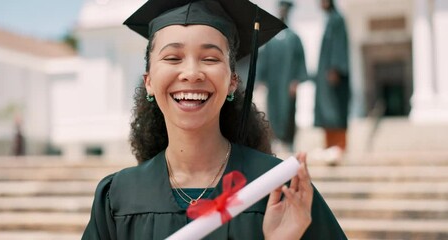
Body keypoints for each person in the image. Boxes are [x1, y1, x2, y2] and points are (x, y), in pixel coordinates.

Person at [82, 0, 347, 239]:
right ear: (149, 81)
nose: (191, 73)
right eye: (173, 57)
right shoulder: (117, 197)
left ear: (232, 81)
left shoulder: (278, 189)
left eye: (210, 58)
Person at [257, 0, 307, 153]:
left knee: (289, 111)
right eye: (281, 10)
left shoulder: (294, 38)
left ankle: (289, 141)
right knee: (273, 111)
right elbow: (263, 59)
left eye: (285, 10)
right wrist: (260, 79)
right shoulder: (271, 39)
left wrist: (296, 81)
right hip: (274, 85)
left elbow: (300, 61)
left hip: (288, 85)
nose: (283, 13)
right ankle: (276, 139)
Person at [313, 0, 350, 165]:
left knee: (336, 109)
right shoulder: (328, 20)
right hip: (325, 75)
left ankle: (339, 146)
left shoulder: (337, 19)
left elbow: (340, 45)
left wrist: (335, 67)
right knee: (326, 110)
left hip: (334, 74)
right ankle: (329, 145)